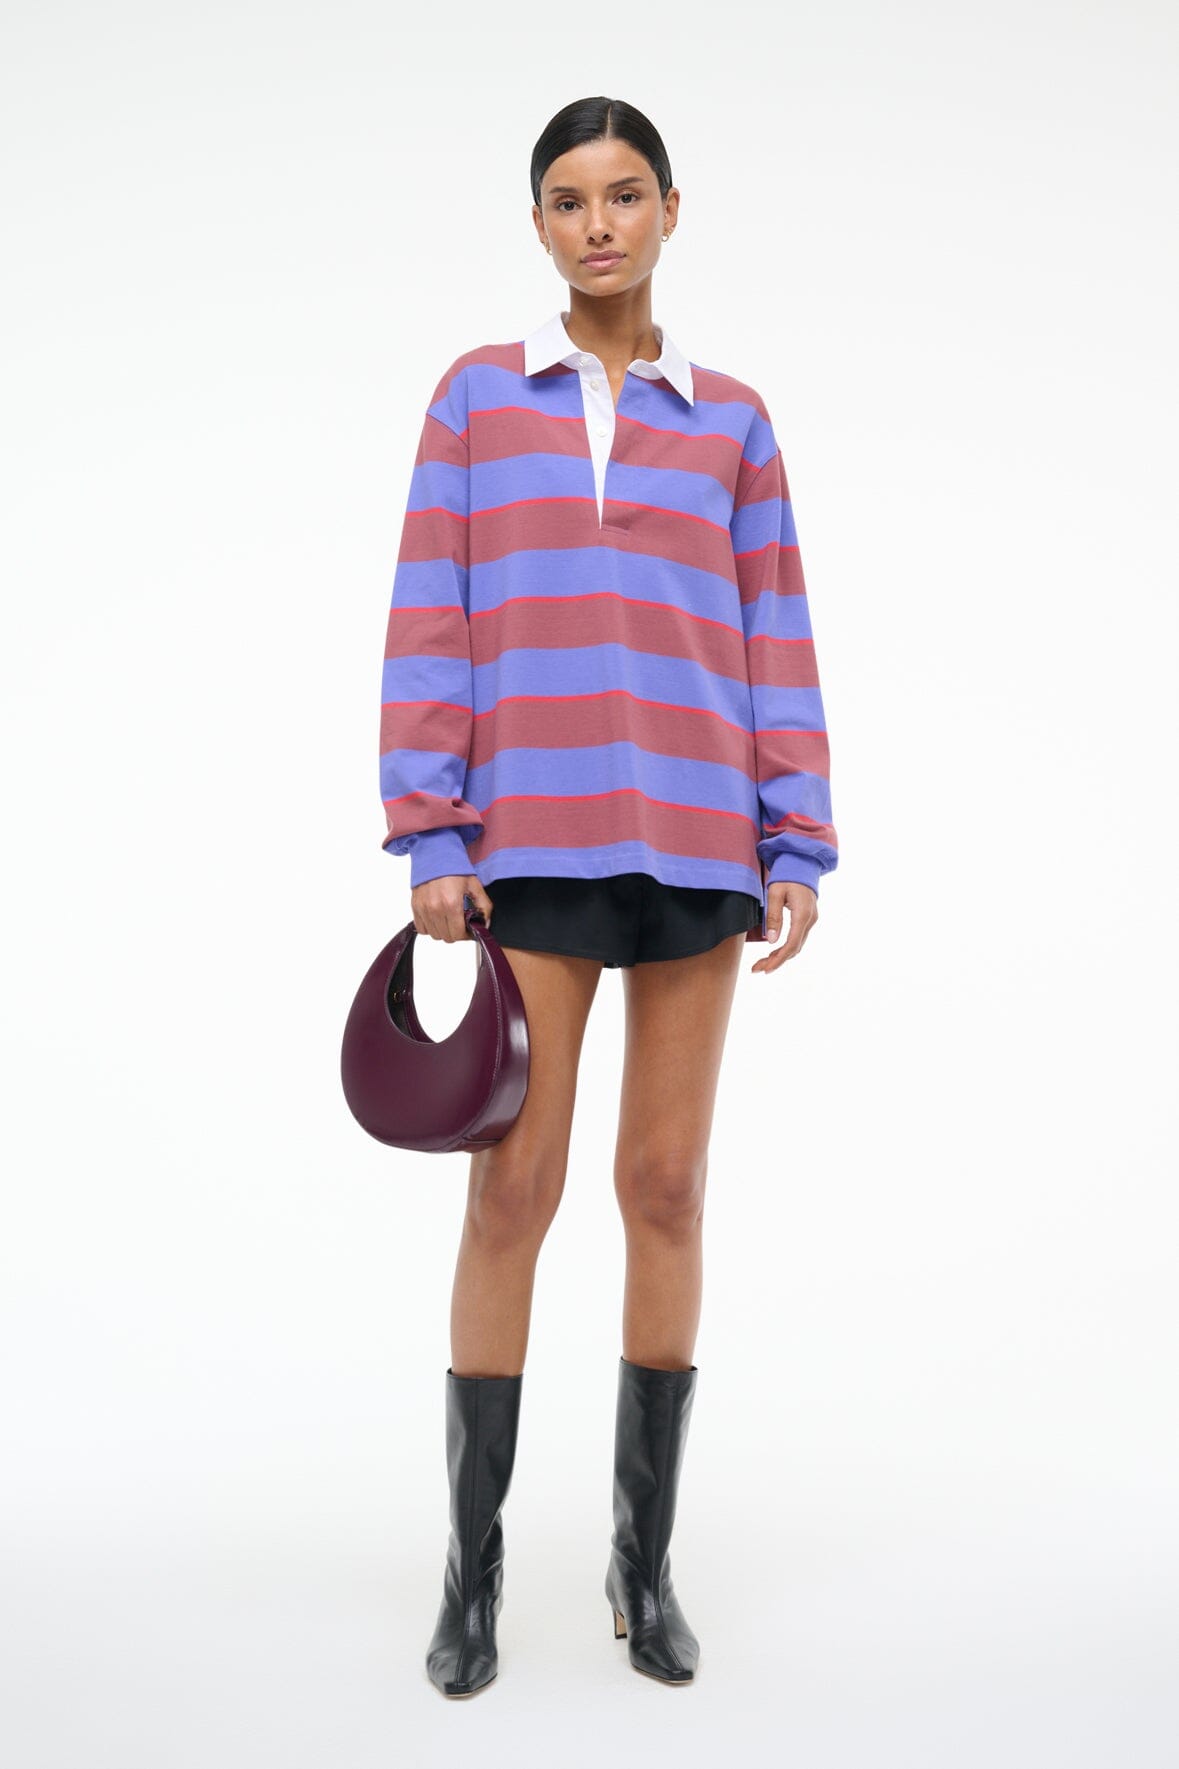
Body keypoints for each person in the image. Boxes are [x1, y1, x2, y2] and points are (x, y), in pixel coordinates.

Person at [378, 95, 839, 1696]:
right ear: (538, 225)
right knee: (513, 1190)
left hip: (702, 839)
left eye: (624, 195)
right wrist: (433, 832)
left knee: (667, 1187)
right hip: (531, 841)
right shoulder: (476, 399)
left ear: (669, 211)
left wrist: (798, 836)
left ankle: (643, 1564)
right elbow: (432, 614)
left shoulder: (734, 423)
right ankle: (474, 1567)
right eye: (569, 200)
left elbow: (775, 627)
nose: (598, 224)